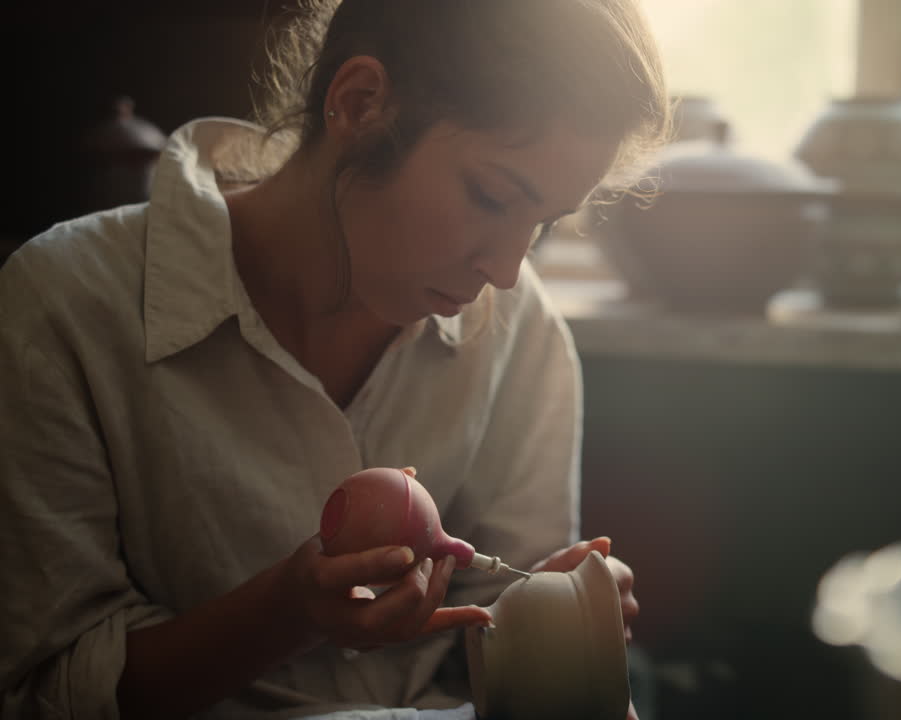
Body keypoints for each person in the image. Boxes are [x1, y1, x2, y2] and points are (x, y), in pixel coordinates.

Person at [0, 1, 670, 718]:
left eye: (539, 225)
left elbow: (503, 649)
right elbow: (46, 692)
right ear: (360, 103)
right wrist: (286, 612)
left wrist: (556, 618)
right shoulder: (66, 304)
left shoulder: (516, 324)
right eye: (491, 195)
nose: (506, 270)